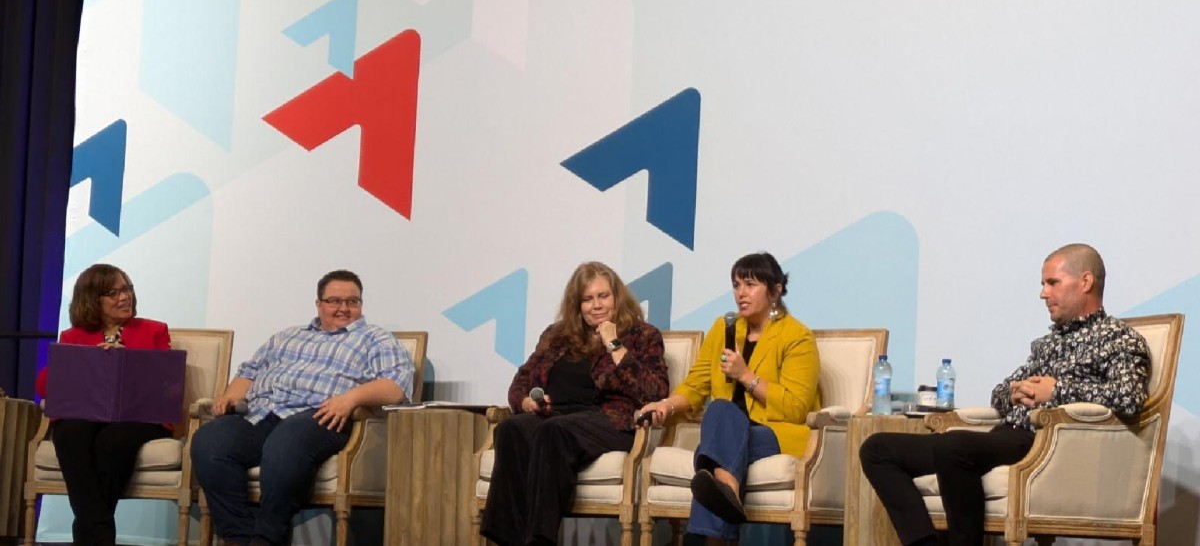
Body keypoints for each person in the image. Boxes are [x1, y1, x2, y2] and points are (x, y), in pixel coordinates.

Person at [859, 243, 1152, 546]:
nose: (1043, 293)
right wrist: (1014, 394)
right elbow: (999, 392)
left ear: (1086, 282)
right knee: (877, 449)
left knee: (954, 446)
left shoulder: (1120, 338)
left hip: (1045, 443)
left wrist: (1057, 390)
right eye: (1043, 284)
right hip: (1006, 434)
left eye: (1052, 283)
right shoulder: (1048, 342)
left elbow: (1129, 398)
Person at [190, 269, 413, 546]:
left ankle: (269, 538)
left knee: (286, 443)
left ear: (360, 305)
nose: (343, 308)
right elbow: (250, 370)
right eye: (334, 301)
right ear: (319, 304)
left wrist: (351, 398)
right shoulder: (286, 336)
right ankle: (239, 538)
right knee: (210, 441)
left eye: (352, 302)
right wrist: (231, 395)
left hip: (320, 416)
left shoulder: (375, 339)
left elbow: (396, 387)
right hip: (262, 414)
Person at [637, 252, 821, 544]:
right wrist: (666, 405)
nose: (740, 294)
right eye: (736, 285)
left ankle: (713, 520)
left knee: (708, 457)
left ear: (775, 291)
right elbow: (696, 384)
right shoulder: (724, 329)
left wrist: (746, 376)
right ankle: (728, 491)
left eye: (750, 284)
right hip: (728, 430)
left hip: (775, 432)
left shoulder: (797, 337)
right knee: (721, 415)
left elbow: (795, 408)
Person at [480, 262, 669, 546]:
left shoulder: (642, 335)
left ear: (617, 296)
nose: (596, 305)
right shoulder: (556, 336)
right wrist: (527, 402)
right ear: (577, 305)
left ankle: (539, 540)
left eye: (603, 296)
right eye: (587, 299)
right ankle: (508, 540)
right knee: (510, 430)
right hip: (556, 415)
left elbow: (653, 391)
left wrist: (614, 345)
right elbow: (522, 380)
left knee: (553, 432)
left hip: (609, 421)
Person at [34, 264, 174, 546]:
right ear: (92, 299)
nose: (125, 297)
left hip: (139, 417)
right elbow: (44, 386)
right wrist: (87, 362)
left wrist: (130, 363)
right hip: (87, 414)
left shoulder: (154, 330)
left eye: (127, 289)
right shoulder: (73, 337)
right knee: (69, 432)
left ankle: (90, 534)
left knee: (112, 442)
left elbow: (169, 383)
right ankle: (100, 534)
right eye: (114, 292)